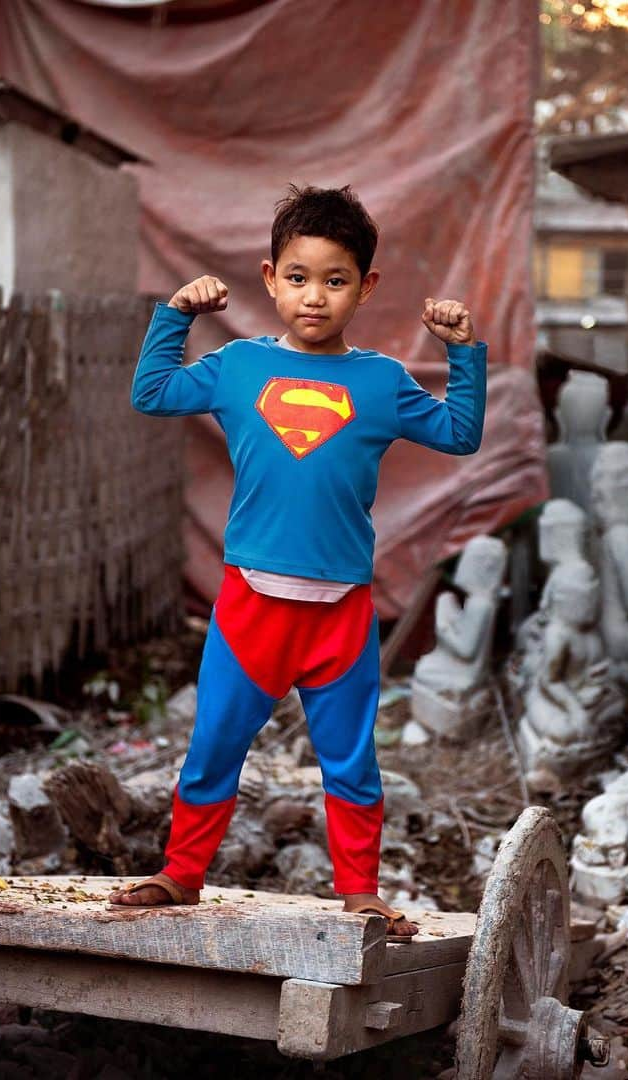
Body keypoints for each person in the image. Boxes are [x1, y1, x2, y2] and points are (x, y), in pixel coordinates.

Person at [108, 185, 487, 941]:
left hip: (341, 611)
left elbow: (459, 434)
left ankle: (361, 894)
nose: (316, 296)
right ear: (271, 277)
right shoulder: (237, 366)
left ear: (366, 287)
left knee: (351, 761)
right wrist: (177, 314)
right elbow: (151, 392)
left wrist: (464, 352)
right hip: (251, 601)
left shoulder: (381, 382)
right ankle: (182, 876)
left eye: (336, 280)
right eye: (299, 277)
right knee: (215, 741)